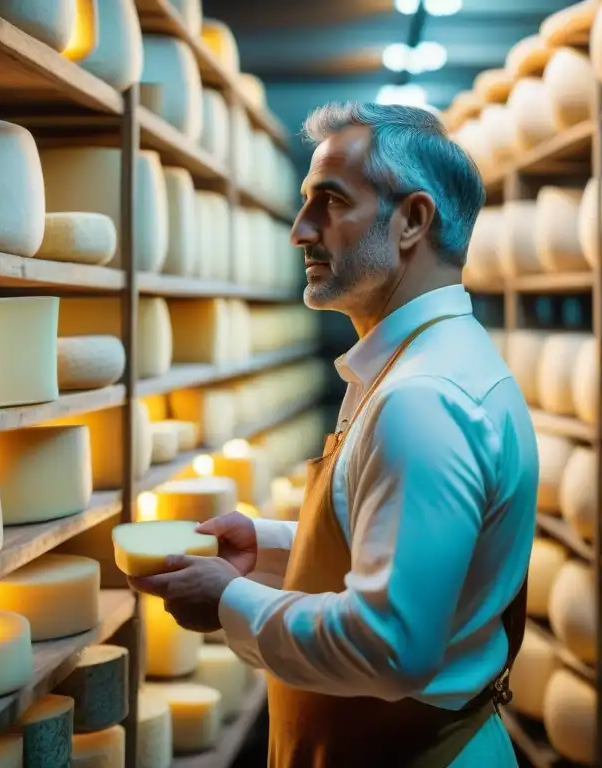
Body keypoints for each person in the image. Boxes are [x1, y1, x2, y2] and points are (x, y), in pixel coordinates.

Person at [129, 101, 539, 767]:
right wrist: (263, 548)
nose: (300, 230)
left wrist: (229, 601)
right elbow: (403, 544)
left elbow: (391, 643)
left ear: (412, 221)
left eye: (329, 202)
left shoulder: (421, 402)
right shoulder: (432, 362)